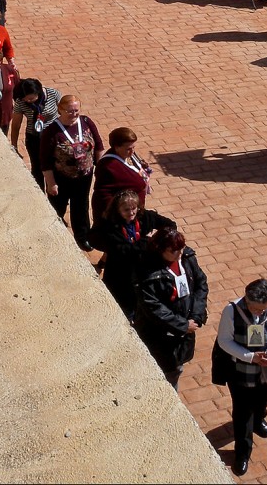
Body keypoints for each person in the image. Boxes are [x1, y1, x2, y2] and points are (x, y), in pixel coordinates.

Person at [216, 278, 267, 477]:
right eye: (256, 309)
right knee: (242, 414)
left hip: (266, 372)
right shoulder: (231, 312)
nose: (260, 313)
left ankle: (259, 419)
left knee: (262, 401)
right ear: (247, 300)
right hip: (240, 373)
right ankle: (242, 453)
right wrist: (251, 357)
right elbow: (224, 341)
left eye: (263, 309)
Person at [134, 227, 208, 390]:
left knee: (176, 369)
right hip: (159, 335)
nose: (179, 253)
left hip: (184, 331)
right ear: (160, 249)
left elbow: (200, 284)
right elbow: (153, 308)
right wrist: (182, 325)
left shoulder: (187, 258)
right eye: (173, 251)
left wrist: (196, 315)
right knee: (161, 371)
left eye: (181, 248)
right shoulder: (147, 272)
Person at [92, 191, 176, 322]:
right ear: (117, 209)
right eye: (126, 209)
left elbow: (170, 225)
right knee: (119, 304)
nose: (131, 212)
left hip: (141, 271)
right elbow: (124, 251)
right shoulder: (110, 227)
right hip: (119, 272)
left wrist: (160, 240)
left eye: (134, 208)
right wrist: (146, 243)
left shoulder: (144, 217)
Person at [39, 95, 103, 251]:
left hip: (84, 177)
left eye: (76, 110)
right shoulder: (52, 131)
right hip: (61, 178)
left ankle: (82, 237)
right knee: (57, 207)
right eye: (70, 111)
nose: (74, 114)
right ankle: (53, 236)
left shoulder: (86, 122)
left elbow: (99, 146)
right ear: (60, 110)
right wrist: (51, 182)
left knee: (81, 206)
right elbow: (45, 160)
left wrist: (100, 170)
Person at [91, 127, 154, 226]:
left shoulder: (128, 155)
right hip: (121, 218)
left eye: (133, 147)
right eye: (129, 149)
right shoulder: (108, 166)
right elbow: (103, 194)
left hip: (132, 212)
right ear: (116, 147)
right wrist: (120, 215)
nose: (132, 151)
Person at [11, 79, 62, 190]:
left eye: (30, 98)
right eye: (25, 99)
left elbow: (64, 112)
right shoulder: (21, 101)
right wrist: (14, 145)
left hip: (54, 137)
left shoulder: (53, 94)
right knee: (37, 168)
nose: (28, 101)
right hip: (34, 138)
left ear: (38, 92)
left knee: (55, 166)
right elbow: (15, 125)